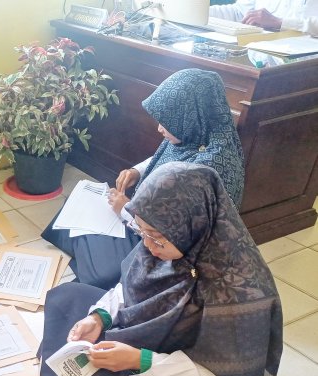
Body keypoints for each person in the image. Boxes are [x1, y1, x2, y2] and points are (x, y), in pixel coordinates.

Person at [0, 162, 282, 376]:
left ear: (191, 226)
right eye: (143, 231)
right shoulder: (167, 239)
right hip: (149, 334)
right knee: (67, 296)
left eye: (156, 238)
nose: (147, 245)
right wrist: (99, 317)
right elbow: (128, 287)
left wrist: (141, 361)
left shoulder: (240, 292)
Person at [41, 68, 245, 290]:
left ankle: (95, 269)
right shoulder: (194, 132)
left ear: (189, 118)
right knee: (79, 206)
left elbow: (177, 238)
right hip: (145, 223)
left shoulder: (208, 168)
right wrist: (136, 171)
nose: (159, 128)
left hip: (162, 248)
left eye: (165, 122)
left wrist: (126, 210)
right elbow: (165, 157)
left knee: (100, 266)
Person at [210, 0, 318, 36]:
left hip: (307, 65)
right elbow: (240, 12)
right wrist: (204, 12)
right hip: (262, 59)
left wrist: (279, 22)